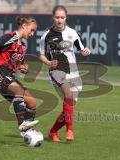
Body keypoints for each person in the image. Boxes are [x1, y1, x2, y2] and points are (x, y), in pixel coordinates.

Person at [39, 5, 91, 142]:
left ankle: (53, 131)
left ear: (66, 17)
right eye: (57, 17)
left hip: (72, 71)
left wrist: (85, 51)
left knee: (69, 106)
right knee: (68, 95)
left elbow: (82, 48)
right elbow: (42, 56)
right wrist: (49, 63)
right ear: (53, 17)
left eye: (62, 17)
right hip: (56, 70)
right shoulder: (46, 35)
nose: (59, 20)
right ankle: (70, 130)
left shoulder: (72, 32)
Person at [0, 16, 39, 136]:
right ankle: (23, 125)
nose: (32, 34)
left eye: (34, 32)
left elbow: (18, 63)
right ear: (24, 26)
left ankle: (28, 132)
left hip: (8, 75)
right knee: (19, 91)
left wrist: (23, 67)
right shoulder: (12, 36)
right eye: (31, 30)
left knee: (32, 102)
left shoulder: (22, 46)